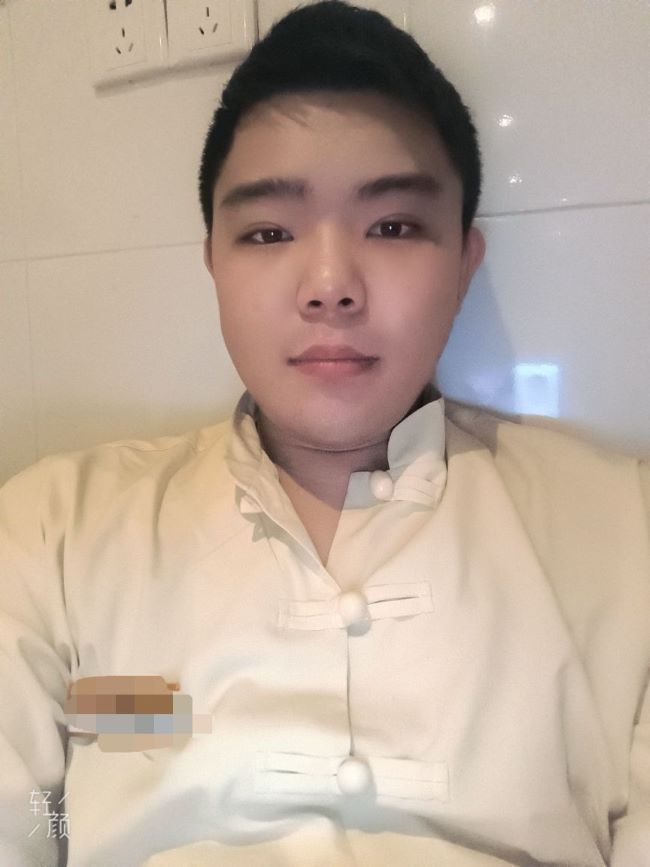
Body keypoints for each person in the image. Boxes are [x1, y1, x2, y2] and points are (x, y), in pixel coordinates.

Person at [0, 2, 648, 865]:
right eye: (269, 231)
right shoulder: (53, 534)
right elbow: (22, 820)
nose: (331, 283)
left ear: (463, 263)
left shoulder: (625, 531)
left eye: (394, 226)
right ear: (214, 262)